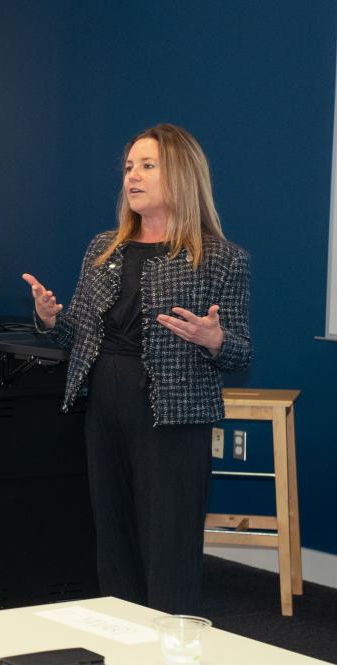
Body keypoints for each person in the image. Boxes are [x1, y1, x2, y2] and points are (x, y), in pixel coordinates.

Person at [22, 123, 251, 614]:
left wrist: (214, 339)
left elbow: (241, 353)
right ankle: (122, 646)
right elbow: (76, 335)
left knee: (169, 546)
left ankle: (170, 664)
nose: (134, 176)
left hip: (172, 417)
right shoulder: (104, 248)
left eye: (148, 166)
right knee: (115, 537)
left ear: (182, 176)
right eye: (129, 167)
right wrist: (49, 319)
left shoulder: (221, 259)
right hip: (105, 406)